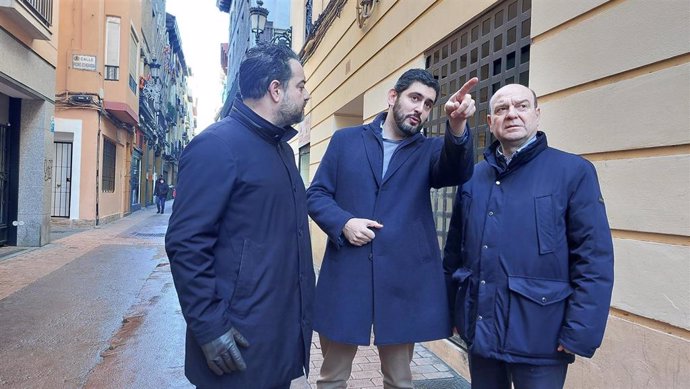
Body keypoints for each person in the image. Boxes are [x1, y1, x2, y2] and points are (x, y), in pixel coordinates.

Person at [307, 69, 478, 389]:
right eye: (415, 98)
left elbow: (457, 170)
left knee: (400, 381)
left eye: (428, 105)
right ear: (392, 97)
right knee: (331, 378)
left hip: (402, 283)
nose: (420, 109)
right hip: (347, 276)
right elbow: (316, 195)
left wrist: (456, 126)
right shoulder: (346, 140)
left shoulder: (428, 150)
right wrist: (343, 222)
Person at [442, 83, 614, 389]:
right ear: (491, 121)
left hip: (542, 337)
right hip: (480, 331)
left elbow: (593, 259)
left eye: (521, 106)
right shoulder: (473, 178)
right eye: (501, 109)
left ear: (537, 115)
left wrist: (580, 332)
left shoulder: (573, 172)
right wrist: (451, 310)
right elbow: (454, 252)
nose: (512, 115)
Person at [165, 43, 315, 389]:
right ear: (276, 90)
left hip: (276, 338)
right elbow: (186, 244)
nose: (306, 94)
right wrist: (209, 328)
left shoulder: (282, 150)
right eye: (301, 85)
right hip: (235, 342)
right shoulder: (216, 146)